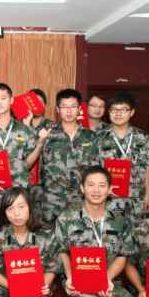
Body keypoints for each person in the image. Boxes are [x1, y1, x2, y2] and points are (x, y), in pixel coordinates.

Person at [55, 166, 145, 297]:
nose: (96, 190)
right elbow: (62, 251)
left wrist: (105, 280)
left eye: (102, 185)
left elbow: (122, 256)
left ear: (110, 189)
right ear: (82, 188)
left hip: (109, 280)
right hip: (77, 280)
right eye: (91, 185)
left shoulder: (120, 222)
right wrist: (70, 276)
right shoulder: (66, 218)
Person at [0, 83, 49, 236]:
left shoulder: (25, 130)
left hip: (17, 194)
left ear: (11, 100)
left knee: (18, 236)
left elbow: (28, 164)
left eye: (3, 98)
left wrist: (40, 144)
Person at [40, 89, 99, 227]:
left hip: (81, 200)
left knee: (81, 236)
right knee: (50, 238)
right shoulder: (48, 135)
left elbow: (97, 169)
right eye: (64, 106)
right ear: (58, 109)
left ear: (79, 109)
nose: (69, 111)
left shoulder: (91, 137)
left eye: (73, 106)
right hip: (52, 201)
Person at [97, 91, 149, 224]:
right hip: (108, 198)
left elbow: (147, 167)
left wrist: (148, 195)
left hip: (136, 200)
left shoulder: (143, 137)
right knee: (109, 232)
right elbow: (93, 170)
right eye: (114, 109)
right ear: (109, 112)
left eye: (123, 109)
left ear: (132, 112)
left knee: (135, 233)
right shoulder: (99, 138)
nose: (118, 113)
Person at [25, 89, 56, 222]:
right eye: (34, 102)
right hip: (23, 183)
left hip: (46, 185)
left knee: (43, 224)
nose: (37, 106)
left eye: (41, 102)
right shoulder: (19, 126)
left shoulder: (54, 127)